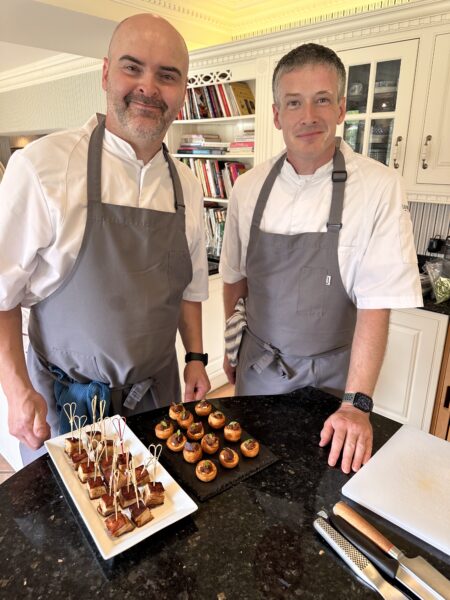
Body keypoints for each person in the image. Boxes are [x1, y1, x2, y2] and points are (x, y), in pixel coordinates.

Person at [0, 13, 211, 464]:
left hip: (157, 400)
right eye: (132, 67)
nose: (148, 87)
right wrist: (16, 389)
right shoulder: (42, 166)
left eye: (167, 75)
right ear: (105, 73)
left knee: (162, 500)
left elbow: (189, 289)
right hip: (66, 405)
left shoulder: (188, 186)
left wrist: (196, 356)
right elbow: (1, 294)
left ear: (183, 91)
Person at [220, 43, 422, 474]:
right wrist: (231, 349)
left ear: (342, 108)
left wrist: (356, 404)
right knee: (248, 479)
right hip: (256, 372)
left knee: (318, 485)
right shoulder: (248, 187)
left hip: (331, 387)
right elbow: (235, 279)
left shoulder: (379, 188)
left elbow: (376, 304)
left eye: (322, 100)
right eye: (294, 102)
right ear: (277, 114)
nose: (308, 116)